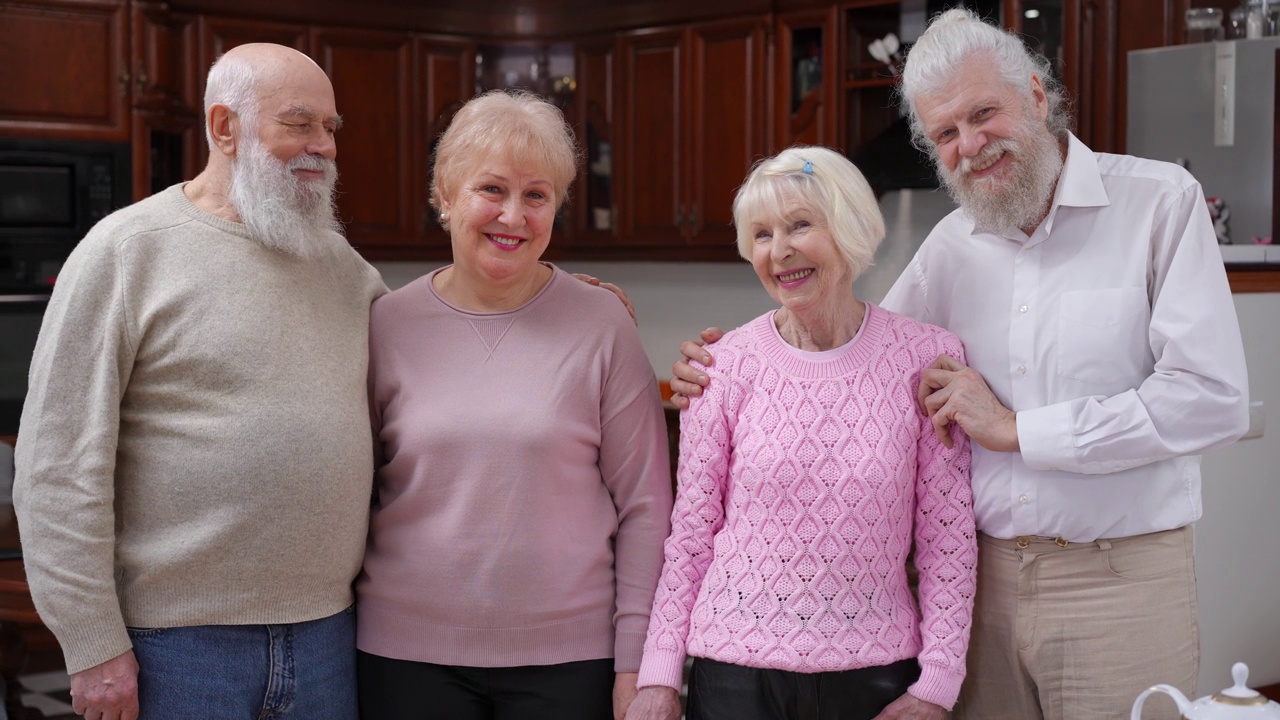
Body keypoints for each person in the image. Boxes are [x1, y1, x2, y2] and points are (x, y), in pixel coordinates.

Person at [670, 9, 1250, 720]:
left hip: (1118, 579)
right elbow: (858, 354)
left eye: (983, 114)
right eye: (945, 133)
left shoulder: (1159, 204)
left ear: (1036, 96)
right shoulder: (950, 247)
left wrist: (1019, 430)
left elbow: (1212, 398)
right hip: (985, 589)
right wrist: (720, 363)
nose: (970, 145)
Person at [12, 44, 385, 720]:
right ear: (225, 127)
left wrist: (556, 299)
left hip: (330, 637)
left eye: (331, 128)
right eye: (299, 124)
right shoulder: (125, 251)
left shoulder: (343, 267)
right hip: (174, 647)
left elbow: (443, 338)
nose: (323, 146)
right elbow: (57, 465)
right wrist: (92, 643)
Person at [625, 146, 976, 720]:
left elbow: (948, 540)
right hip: (733, 676)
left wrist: (936, 685)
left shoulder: (926, 358)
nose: (779, 251)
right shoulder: (723, 365)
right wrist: (659, 676)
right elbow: (690, 533)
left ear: (848, 228)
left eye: (799, 226)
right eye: (761, 234)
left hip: (875, 676)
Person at [354, 89, 673, 720]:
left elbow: (646, 507)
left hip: (571, 661)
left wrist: (638, 660)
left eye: (537, 195)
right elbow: (352, 492)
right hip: (404, 657)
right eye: (491, 190)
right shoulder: (384, 325)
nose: (513, 215)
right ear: (444, 197)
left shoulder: (603, 323)